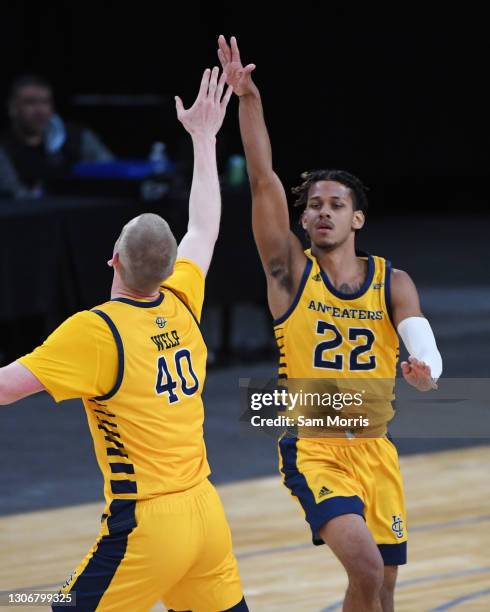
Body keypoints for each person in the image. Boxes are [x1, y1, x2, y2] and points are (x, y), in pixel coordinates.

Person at [0, 67, 249, 612]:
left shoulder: (96, 331)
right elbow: (204, 227)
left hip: (148, 522)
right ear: (165, 269)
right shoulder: (183, 298)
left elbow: (5, 389)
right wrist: (204, 139)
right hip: (206, 511)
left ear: (113, 258)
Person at [218, 35, 442, 612]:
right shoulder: (290, 274)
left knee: (382, 590)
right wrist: (249, 101)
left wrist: (425, 371)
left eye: (335, 204)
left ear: (357, 217)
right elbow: (265, 179)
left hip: (376, 447)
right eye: (314, 203)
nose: (321, 211)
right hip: (314, 446)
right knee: (364, 568)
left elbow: (420, 337)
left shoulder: (393, 281)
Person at [0, 74, 113, 198]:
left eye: (45, 102)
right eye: (30, 103)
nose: (40, 110)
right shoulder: (4, 149)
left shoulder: (77, 137)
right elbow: (15, 195)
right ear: (12, 108)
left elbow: (112, 174)